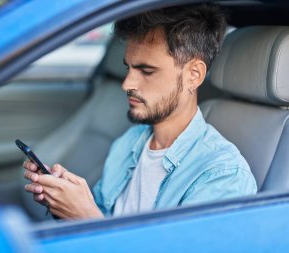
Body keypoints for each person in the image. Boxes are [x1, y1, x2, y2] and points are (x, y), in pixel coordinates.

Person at [23, 4, 257, 219]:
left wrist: (86, 217)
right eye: (129, 68)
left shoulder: (222, 175)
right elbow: (104, 219)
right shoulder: (129, 143)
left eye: (146, 71)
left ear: (193, 75)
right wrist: (66, 204)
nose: (127, 84)